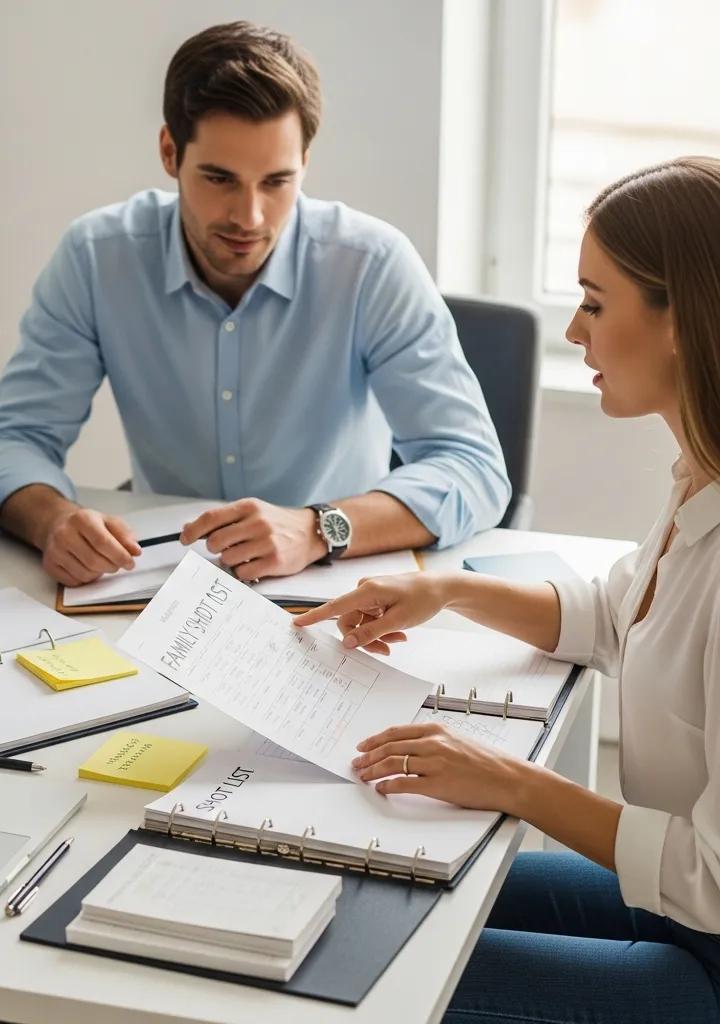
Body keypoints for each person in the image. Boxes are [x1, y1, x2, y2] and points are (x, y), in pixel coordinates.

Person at [294, 157, 720, 1023]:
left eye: (596, 303)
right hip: (685, 915)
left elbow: (712, 881)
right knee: (382, 889)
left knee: (363, 968)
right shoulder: (698, 477)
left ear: (682, 316)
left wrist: (510, 782)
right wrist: (445, 590)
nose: (573, 329)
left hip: (706, 954)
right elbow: (616, 614)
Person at [0, 21, 509, 590]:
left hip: (335, 582)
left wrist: (318, 528)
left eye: (277, 181)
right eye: (220, 178)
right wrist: (53, 521)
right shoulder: (97, 258)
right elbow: (10, 442)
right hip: (165, 585)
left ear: (306, 162)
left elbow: (473, 469)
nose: (248, 217)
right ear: (169, 152)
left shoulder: (372, 264)